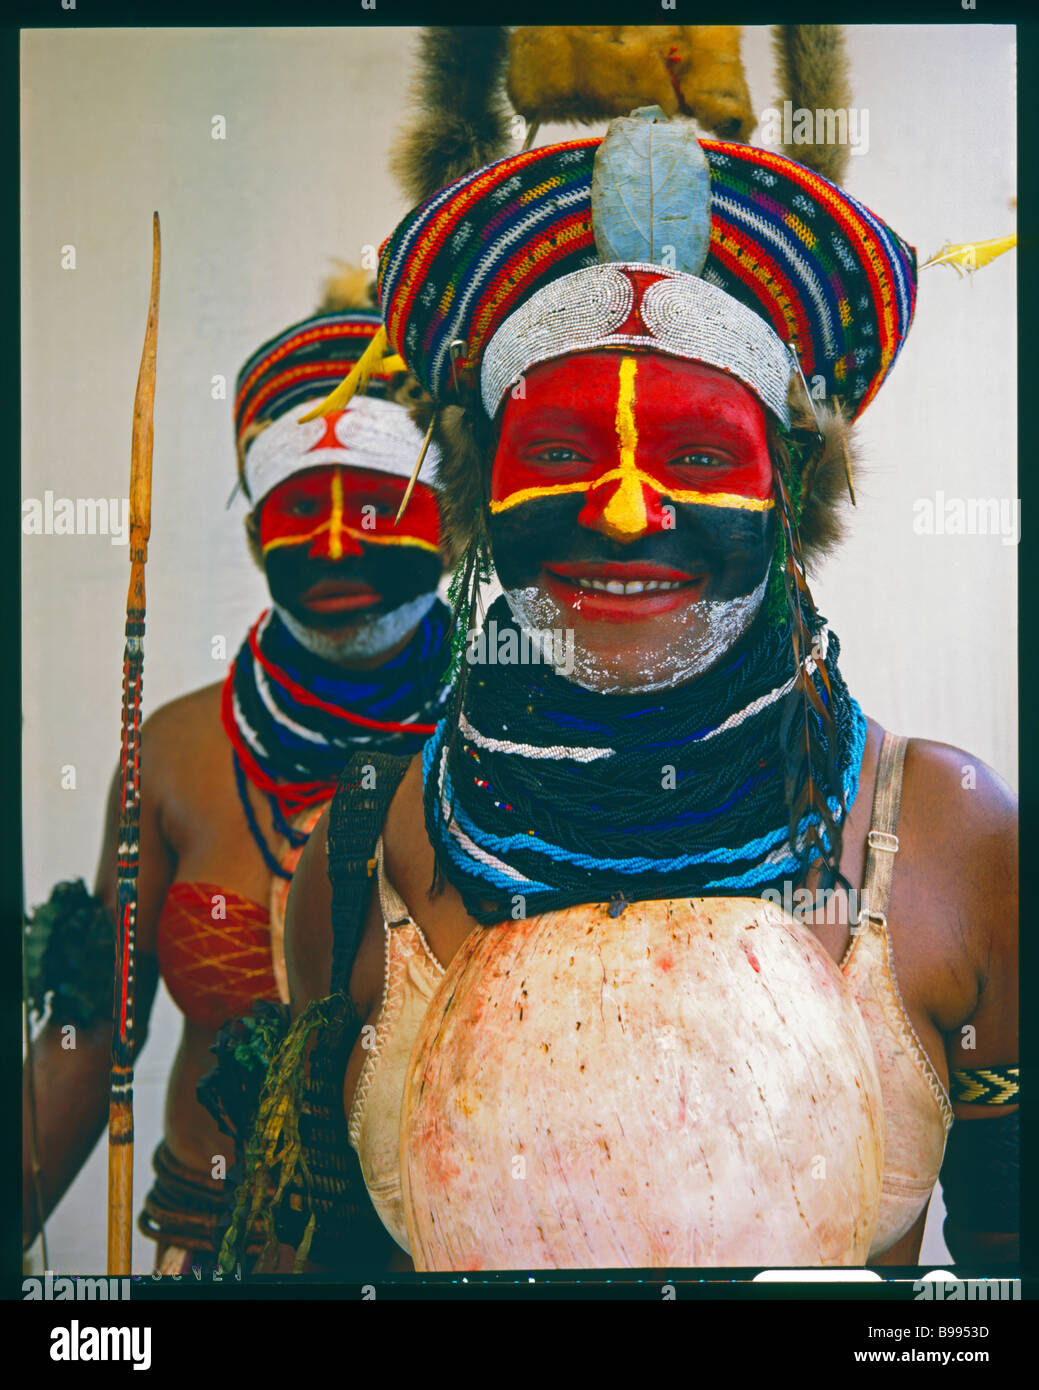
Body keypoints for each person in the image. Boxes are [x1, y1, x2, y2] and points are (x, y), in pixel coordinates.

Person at [246, 111, 1017, 1271]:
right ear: (479, 491)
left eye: (698, 457)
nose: (620, 508)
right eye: (557, 452)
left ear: (788, 493)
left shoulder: (948, 839)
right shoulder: (366, 855)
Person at [22, 295, 453, 1274]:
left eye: (379, 503)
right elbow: (92, 1033)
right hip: (209, 1251)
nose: (339, 541)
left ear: (455, 522)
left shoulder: (511, 753)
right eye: (303, 504)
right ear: (256, 530)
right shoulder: (175, 752)